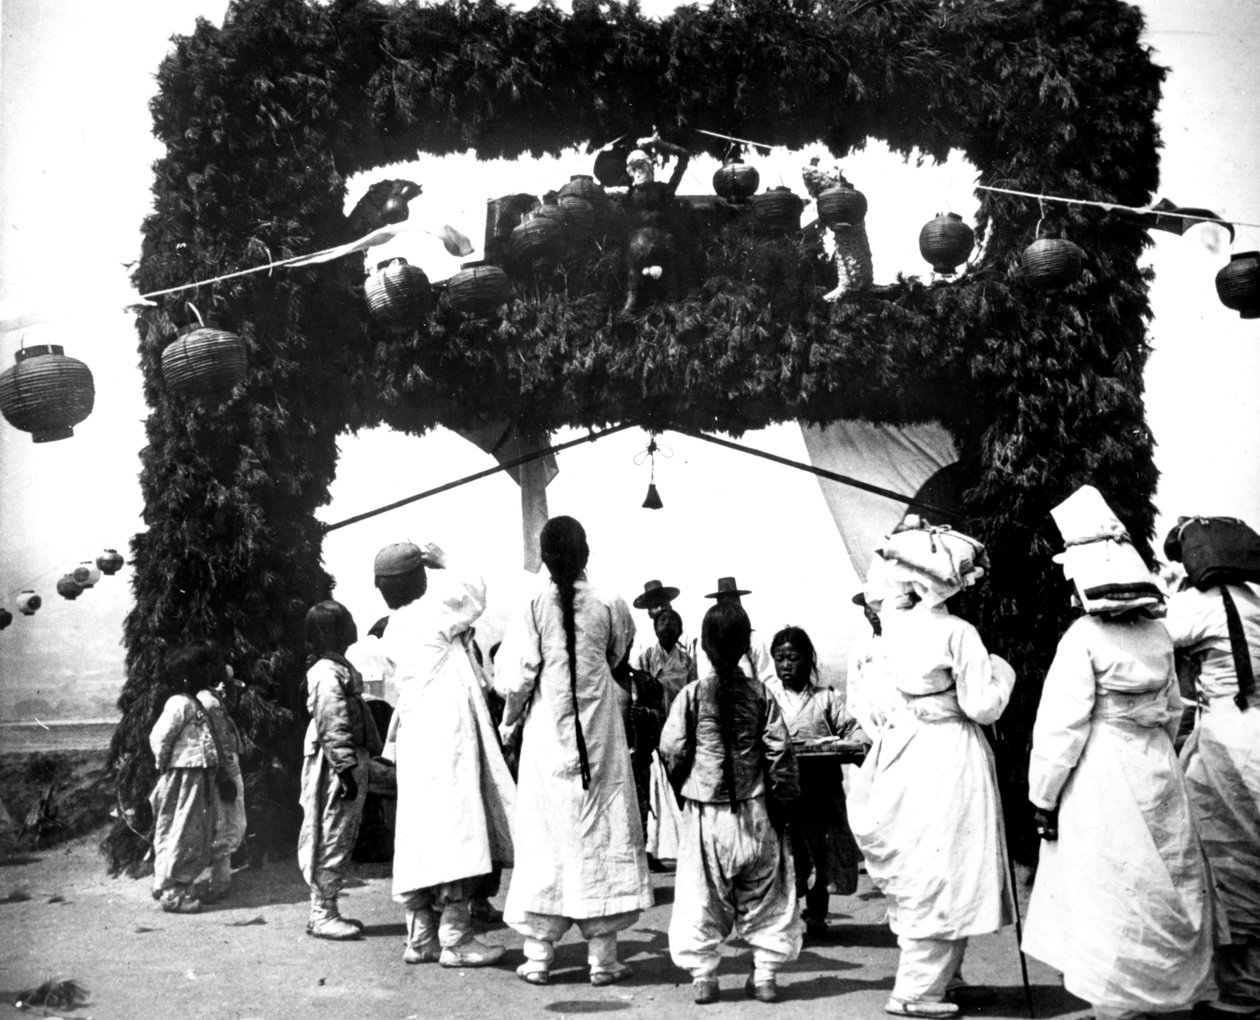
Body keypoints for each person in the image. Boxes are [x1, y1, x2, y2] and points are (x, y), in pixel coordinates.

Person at [1022, 485, 1216, 1020]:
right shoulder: (1157, 635)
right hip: (1155, 764)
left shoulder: (1082, 638)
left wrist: (1044, 796)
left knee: (1110, 881)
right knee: (1161, 877)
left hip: (1101, 769)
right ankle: (1159, 990)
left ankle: (1117, 1002)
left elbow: (1061, 729)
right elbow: (1175, 709)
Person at [847, 518, 1015, 1017]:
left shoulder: (886, 636)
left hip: (904, 751)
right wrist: (1002, 673)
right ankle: (916, 991)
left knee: (927, 863)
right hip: (949, 754)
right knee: (949, 866)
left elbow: (873, 708)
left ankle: (947, 976)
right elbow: (982, 705)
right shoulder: (957, 632)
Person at [496, 515, 652, 986]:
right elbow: (617, 654)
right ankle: (603, 959)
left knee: (546, 838)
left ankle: (539, 957)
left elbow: (517, 679)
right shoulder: (610, 601)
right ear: (587, 554)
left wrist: (508, 723)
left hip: (548, 738)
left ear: (544, 559)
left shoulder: (531, 603)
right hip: (600, 733)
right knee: (599, 833)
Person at [373, 540, 514, 968]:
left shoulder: (392, 629)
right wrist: (445, 560)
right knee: (458, 827)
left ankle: (420, 937)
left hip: (416, 740)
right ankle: (456, 937)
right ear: (420, 577)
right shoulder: (433, 611)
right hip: (447, 737)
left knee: (419, 832)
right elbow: (475, 590)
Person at [660, 600, 802, 1004]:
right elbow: (781, 754)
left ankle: (704, 977)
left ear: (703, 647)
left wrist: (687, 785)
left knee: (701, 897)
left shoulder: (691, 695)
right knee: (767, 896)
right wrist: (785, 803)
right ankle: (766, 977)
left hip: (708, 815)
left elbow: (671, 748)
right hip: (757, 810)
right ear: (745, 646)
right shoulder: (762, 694)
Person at [1163, 517, 1260, 1019]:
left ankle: (1243, 987)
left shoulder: (1195, 606)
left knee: (1226, 853)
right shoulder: (1252, 600)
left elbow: (1154, 638)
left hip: (1227, 730)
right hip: (1254, 725)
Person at [765, 625, 865, 936]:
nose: (786, 666)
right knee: (789, 854)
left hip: (822, 792)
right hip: (784, 793)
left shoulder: (826, 699)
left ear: (808, 660)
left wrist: (852, 744)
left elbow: (854, 731)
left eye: (793, 658)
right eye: (780, 659)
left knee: (822, 851)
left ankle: (817, 914)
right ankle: (789, 917)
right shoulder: (768, 699)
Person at [298, 600, 380, 940]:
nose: (352, 628)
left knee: (340, 832)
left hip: (343, 762)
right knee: (332, 832)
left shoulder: (335, 667)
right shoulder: (326, 674)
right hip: (334, 766)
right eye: (345, 622)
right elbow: (333, 726)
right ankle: (322, 913)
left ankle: (326, 908)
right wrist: (345, 769)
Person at [148, 642, 226, 914]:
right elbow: (160, 737)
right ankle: (172, 890)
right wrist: (165, 767)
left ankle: (177, 883)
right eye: (202, 669)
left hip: (200, 774)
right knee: (181, 828)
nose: (208, 674)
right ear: (186, 676)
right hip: (186, 775)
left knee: (194, 829)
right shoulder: (180, 703)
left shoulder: (195, 703)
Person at [639, 606, 698, 863]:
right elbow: (637, 693)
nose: (667, 626)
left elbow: (694, 695)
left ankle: (684, 845)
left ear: (679, 629)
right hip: (653, 728)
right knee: (652, 787)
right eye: (662, 621)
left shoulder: (687, 662)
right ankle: (652, 848)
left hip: (680, 728)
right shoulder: (646, 657)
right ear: (655, 627)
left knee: (680, 785)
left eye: (672, 622)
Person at [197, 663, 246, 903]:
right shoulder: (211, 704)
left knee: (226, 821)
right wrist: (227, 776)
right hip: (225, 768)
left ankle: (220, 878)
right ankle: (220, 882)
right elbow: (222, 743)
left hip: (219, 767)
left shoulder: (207, 699)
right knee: (229, 821)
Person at [704, 577, 774, 683]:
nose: (730, 610)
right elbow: (705, 676)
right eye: (724, 605)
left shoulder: (755, 639)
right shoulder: (711, 641)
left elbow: (766, 676)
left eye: (733, 603)